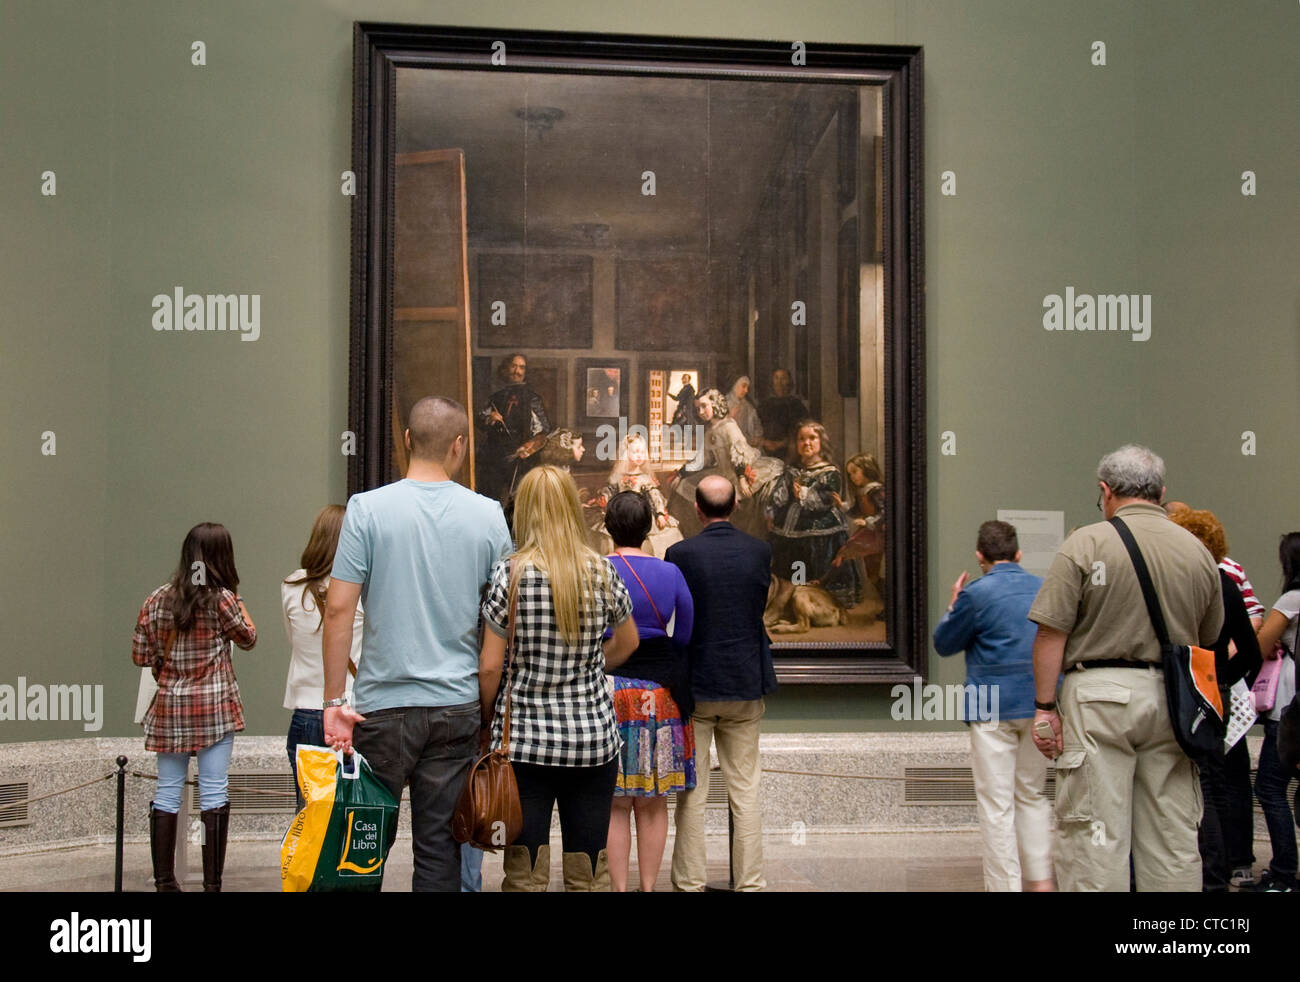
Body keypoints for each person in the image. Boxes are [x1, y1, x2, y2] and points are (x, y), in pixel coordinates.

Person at [322, 396, 514, 892]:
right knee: (438, 849)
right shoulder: (489, 515)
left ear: (406, 440)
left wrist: (332, 702)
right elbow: (502, 617)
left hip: (380, 709)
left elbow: (340, 609)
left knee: (362, 846)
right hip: (455, 704)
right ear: (460, 446)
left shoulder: (366, 509)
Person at [1027, 445, 1222, 891]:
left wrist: (1044, 708)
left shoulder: (1087, 542)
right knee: (1172, 837)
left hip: (1098, 698)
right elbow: (1208, 640)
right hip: (1173, 703)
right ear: (1162, 491)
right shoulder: (1197, 552)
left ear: (1105, 491)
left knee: (1094, 834)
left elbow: (1051, 634)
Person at [478, 465, 640, 891]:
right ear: (572, 508)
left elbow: (491, 666)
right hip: (591, 740)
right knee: (590, 868)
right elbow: (627, 642)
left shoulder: (509, 575)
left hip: (525, 744)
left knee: (525, 870)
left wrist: (485, 718)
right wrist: (590, 666)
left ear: (524, 511)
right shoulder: (601, 571)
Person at [131, 522, 257, 892]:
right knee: (214, 792)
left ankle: (166, 881)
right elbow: (249, 638)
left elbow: (140, 656)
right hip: (215, 710)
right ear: (223, 557)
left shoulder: (156, 599)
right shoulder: (222, 600)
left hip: (170, 711)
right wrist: (240, 600)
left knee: (168, 792)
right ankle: (212, 884)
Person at [666, 475, 778, 891]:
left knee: (692, 792)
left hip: (696, 685)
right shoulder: (759, 551)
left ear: (697, 509)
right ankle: (750, 883)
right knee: (745, 790)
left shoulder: (680, 553)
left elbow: (677, 620)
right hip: (746, 680)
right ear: (734, 507)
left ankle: (690, 883)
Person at [933, 520, 1052, 892]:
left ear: (979, 556)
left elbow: (944, 643)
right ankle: (1039, 880)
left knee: (996, 804)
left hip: (990, 706)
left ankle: (1005, 887)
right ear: (1018, 554)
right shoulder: (1042, 588)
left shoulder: (976, 593)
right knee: (1031, 794)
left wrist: (954, 606)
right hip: (1038, 702)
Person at [602, 491, 697, 891]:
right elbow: (686, 633)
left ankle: (619, 888)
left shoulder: (597, 569)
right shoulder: (670, 573)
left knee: (616, 802)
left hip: (608, 692)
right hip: (659, 695)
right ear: (651, 526)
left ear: (607, 526)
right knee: (654, 802)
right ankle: (648, 888)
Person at [1167, 508, 1262, 892]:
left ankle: (1200, 874)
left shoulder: (1183, 583)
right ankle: (1218, 875)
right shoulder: (1226, 585)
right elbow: (1252, 653)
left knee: (1193, 786)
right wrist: (1221, 678)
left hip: (1183, 691)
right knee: (1217, 785)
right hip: (1215, 693)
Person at [282, 505, 365, 810]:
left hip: (306, 709)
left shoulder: (291, 586)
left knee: (310, 816)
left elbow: (294, 640)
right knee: (352, 812)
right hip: (350, 710)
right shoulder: (362, 589)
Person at [1249, 532, 1300, 892]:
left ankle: (1283, 873)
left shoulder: (1292, 599)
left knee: (1270, 786)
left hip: (1291, 711)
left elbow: (1259, 645)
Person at [768, 421, 859, 608]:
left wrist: (803, 494)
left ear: (821, 442)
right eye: (801, 439)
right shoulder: (791, 470)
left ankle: (819, 602)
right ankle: (793, 597)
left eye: (812, 438)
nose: (806, 443)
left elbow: (826, 500)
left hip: (820, 531)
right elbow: (779, 494)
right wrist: (772, 510)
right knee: (794, 564)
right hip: (790, 530)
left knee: (815, 566)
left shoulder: (830, 472)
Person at [670, 388, 782, 536]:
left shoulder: (729, 426)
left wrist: (742, 478)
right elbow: (703, 459)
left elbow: (739, 454)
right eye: (698, 409)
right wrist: (681, 473)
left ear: (715, 404)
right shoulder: (710, 431)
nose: (701, 412)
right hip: (723, 473)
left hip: (739, 471)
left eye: (704, 406)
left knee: (741, 508)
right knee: (684, 486)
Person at [588, 431, 682, 557]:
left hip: (640, 514)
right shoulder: (617, 477)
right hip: (621, 514)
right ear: (626, 453)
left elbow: (655, 496)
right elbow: (609, 491)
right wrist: (604, 498)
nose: (639, 456)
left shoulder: (645, 478)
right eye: (635, 452)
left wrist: (659, 513)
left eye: (642, 452)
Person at [476, 353, 552, 502]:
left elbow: (543, 432)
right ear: (505, 369)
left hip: (520, 460)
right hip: (494, 459)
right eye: (513, 366)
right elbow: (479, 420)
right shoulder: (495, 397)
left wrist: (529, 447)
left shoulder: (532, 398)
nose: (517, 371)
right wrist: (489, 418)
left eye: (521, 367)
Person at [758, 368, 809, 460]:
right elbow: (756, 428)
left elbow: (801, 431)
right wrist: (765, 442)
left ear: (789, 381)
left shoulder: (796, 405)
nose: (779, 382)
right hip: (766, 451)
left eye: (783, 378)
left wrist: (781, 444)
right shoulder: (764, 404)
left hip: (790, 452)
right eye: (776, 378)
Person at [726, 375, 763, 447]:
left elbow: (757, 427)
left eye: (747, 387)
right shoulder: (724, 403)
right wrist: (729, 417)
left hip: (747, 446)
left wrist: (757, 437)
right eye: (743, 386)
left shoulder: (748, 406)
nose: (746, 391)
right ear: (735, 386)